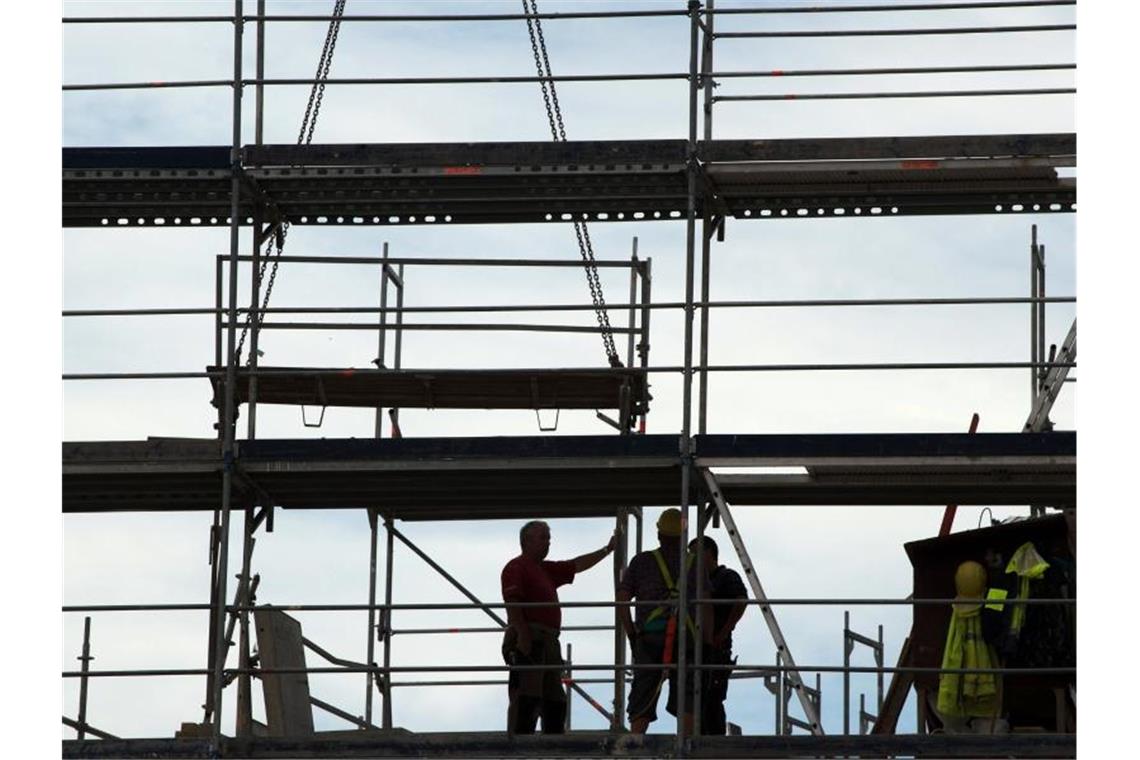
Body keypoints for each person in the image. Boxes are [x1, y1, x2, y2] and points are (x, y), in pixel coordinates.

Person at [500, 520, 615, 734]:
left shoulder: (545, 569)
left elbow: (576, 565)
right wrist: (523, 634)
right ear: (526, 541)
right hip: (531, 635)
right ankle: (518, 744)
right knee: (527, 693)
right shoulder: (517, 567)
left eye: (548, 538)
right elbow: (512, 603)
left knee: (554, 697)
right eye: (543, 538)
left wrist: (607, 550)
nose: (548, 543)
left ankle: (552, 741)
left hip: (548, 639)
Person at [616, 508, 712, 735]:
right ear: (683, 536)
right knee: (688, 696)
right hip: (686, 637)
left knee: (643, 695)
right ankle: (686, 747)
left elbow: (621, 599)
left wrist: (632, 633)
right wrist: (707, 644)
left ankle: (635, 746)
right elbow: (707, 606)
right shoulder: (696, 564)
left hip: (649, 637)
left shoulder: (641, 562)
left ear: (659, 535)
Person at [689, 535, 748, 735]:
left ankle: (712, 742)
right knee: (694, 699)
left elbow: (741, 602)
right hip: (697, 647)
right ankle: (700, 739)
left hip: (716, 647)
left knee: (712, 698)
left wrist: (723, 632)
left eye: (696, 553)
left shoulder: (726, 577)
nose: (692, 559)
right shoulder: (693, 583)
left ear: (709, 553)